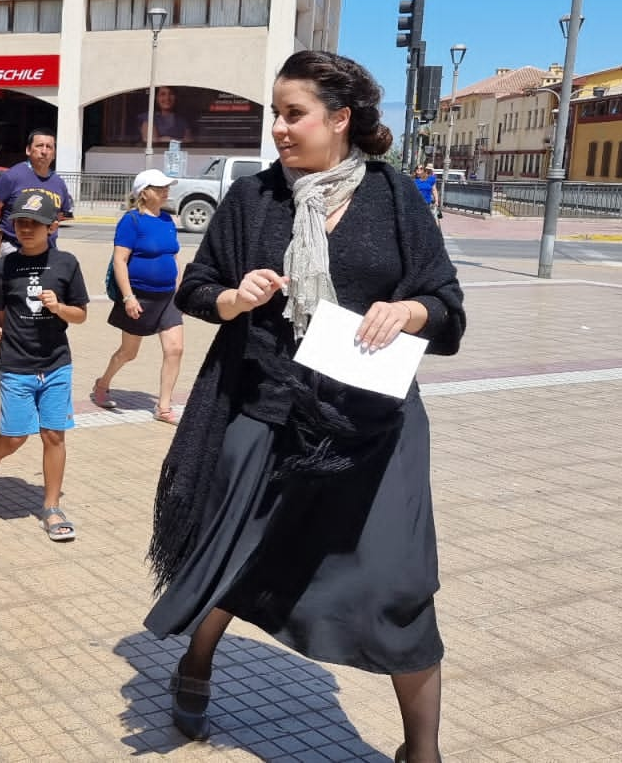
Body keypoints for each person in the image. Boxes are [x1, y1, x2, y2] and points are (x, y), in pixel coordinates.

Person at [143, 50, 465, 763]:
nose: (280, 129)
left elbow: (447, 306)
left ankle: (423, 751)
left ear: (340, 118)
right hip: (267, 412)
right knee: (229, 554)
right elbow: (197, 289)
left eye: (295, 114)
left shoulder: (393, 197)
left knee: (401, 584)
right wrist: (233, 299)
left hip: (374, 425)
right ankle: (197, 659)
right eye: (276, 115)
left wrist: (408, 311)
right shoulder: (253, 200)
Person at [0, 187, 89, 541]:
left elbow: (80, 315)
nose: (26, 229)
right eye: (20, 222)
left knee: (53, 434)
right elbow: (0, 321)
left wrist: (59, 308)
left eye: (34, 223)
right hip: (17, 365)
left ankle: (51, 507)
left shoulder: (67, 264)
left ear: (52, 226)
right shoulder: (5, 267)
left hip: (56, 363)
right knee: (15, 436)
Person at [91, 169, 185, 425]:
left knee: (175, 349)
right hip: (139, 297)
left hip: (167, 297)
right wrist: (128, 297)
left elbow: (173, 257)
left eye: (167, 187)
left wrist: (179, 290)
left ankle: (163, 408)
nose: (166, 191)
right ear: (145, 192)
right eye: (160, 187)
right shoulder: (131, 222)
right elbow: (120, 261)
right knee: (128, 352)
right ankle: (102, 384)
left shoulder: (167, 220)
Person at [0, 128, 73, 259]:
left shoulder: (59, 183)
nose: (44, 151)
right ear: (28, 150)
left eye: (49, 147)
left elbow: (59, 215)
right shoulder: (12, 177)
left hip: (48, 250)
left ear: (54, 154)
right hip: (14, 248)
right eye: (39, 146)